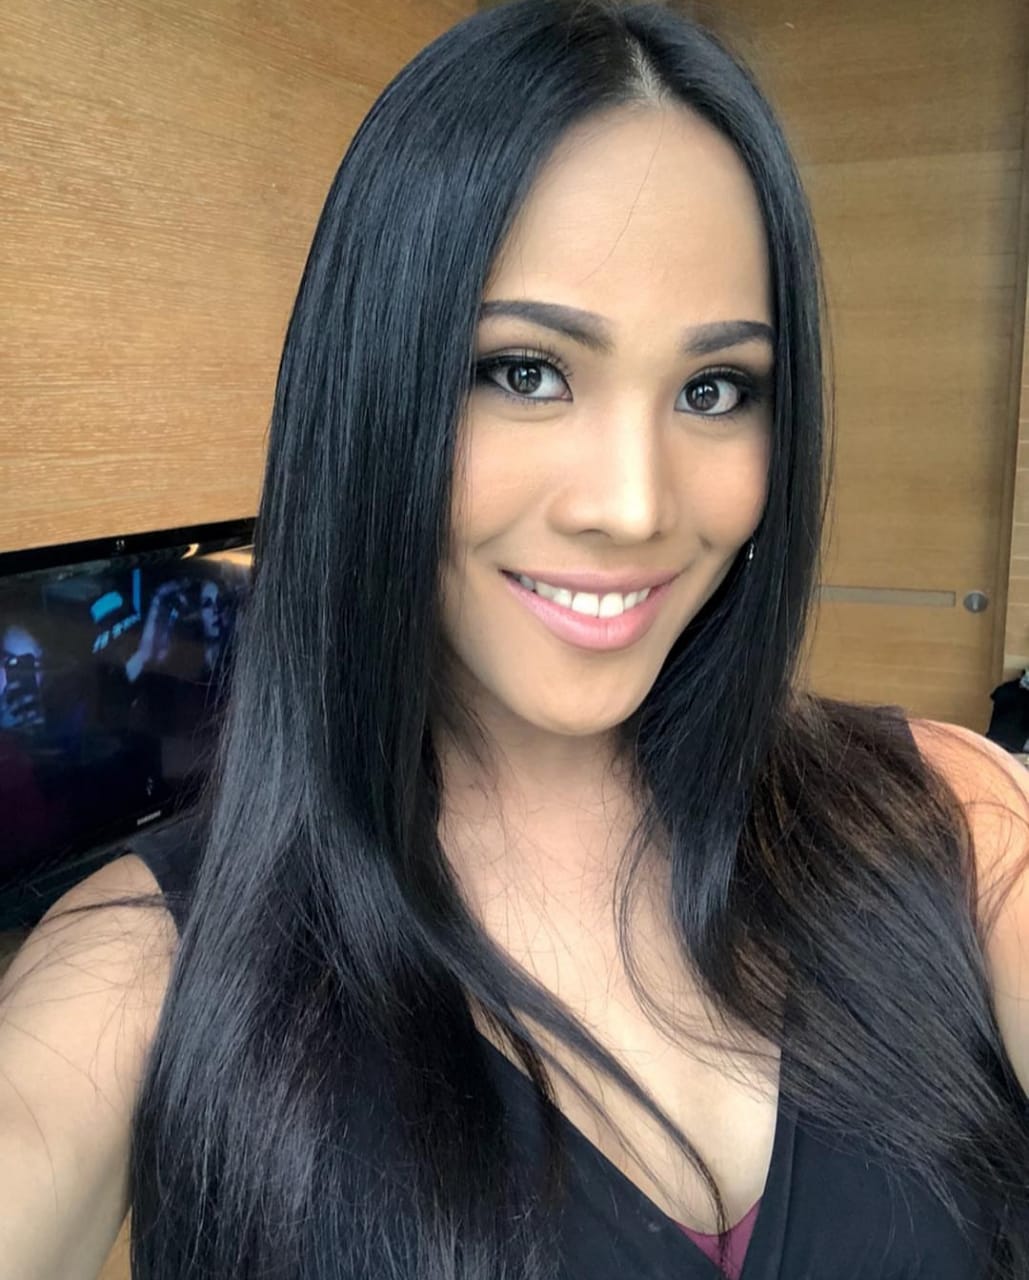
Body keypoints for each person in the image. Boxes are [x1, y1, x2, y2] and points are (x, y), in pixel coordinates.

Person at [1, 2, 1027, 1278]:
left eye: (715, 389)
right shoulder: (149, 972)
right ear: (373, 388)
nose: (633, 505)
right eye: (526, 370)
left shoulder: (950, 817)